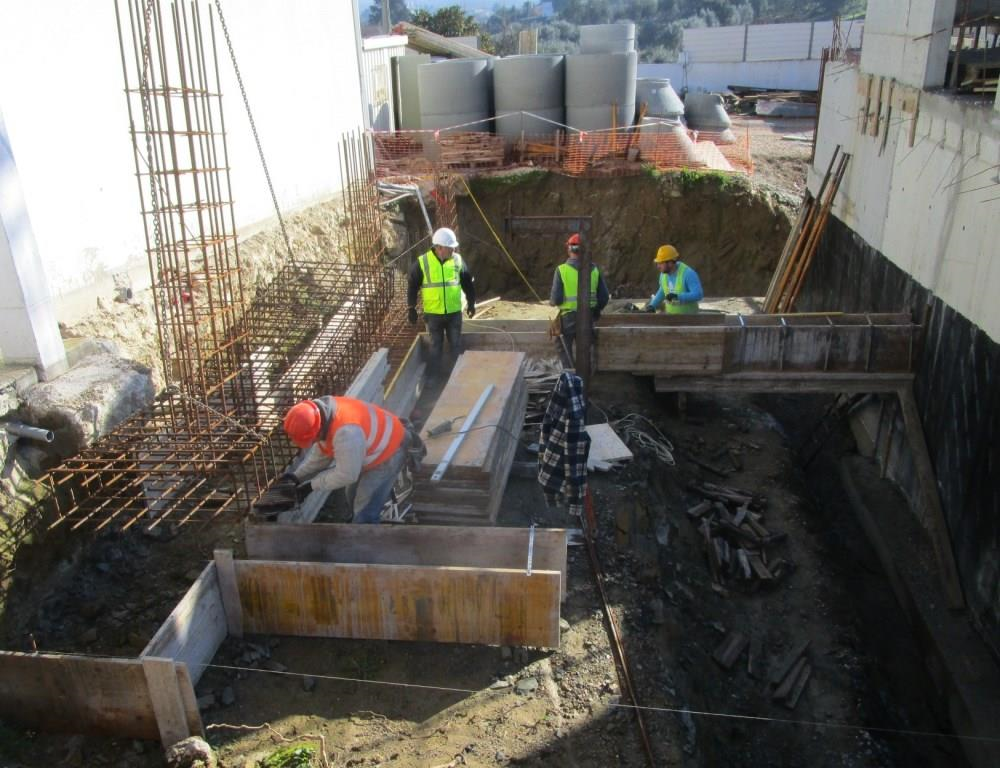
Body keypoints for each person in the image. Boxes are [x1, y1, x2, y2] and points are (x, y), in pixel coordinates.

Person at [281, 396, 408, 524]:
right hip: (371, 448)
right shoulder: (324, 415)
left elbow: (347, 475)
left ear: (318, 429)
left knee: (364, 508)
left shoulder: (347, 433)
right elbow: (321, 456)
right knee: (351, 495)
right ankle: (355, 524)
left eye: (313, 439)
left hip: (390, 452)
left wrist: (310, 486)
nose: (313, 441)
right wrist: (296, 477)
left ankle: (364, 534)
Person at [407, 227, 476, 377]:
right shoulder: (423, 262)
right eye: (449, 247)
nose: (453, 250)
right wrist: (411, 307)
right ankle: (434, 378)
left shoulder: (457, 260)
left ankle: (457, 377)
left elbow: (467, 283)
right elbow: (412, 285)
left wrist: (471, 303)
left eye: (453, 247)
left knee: (456, 346)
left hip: (454, 313)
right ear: (438, 248)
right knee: (435, 348)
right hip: (433, 315)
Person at [549, 233, 610, 368]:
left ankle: (570, 375)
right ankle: (585, 379)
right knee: (587, 351)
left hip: (568, 318)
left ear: (569, 249)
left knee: (563, 347)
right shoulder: (594, 270)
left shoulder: (561, 270)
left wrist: (552, 302)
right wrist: (595, 311)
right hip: (588, 316)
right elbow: (604, 297)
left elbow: (556, 299)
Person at [645, 244, 702, 314]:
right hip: (671, 319)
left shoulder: (688, 274)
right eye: (657, 263)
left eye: (661, 263)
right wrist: (652, 305)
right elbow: (662, 291)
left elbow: (698, 294)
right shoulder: (663, 274)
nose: (658, 266)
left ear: (670, 263)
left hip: (690, 320)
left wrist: (678, 297)